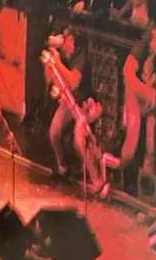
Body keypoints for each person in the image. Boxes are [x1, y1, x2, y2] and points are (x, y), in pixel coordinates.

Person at [44, 28, 112, 196]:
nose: (63, 43)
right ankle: (62, 168)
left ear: (73, 42)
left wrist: (57, 62)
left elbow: (74, 81)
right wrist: (51, 64)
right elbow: (50, 79)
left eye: (67, 39)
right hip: (69, 101)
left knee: (79, 141)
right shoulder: (61, 56)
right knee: (54, 132)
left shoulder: (80, 57)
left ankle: (97, 181)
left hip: (86, 104)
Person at [120, 17, 156, 178]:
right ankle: (115, 166)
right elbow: (127, 74)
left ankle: (147, 171)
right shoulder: (142, 46)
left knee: (151, 145)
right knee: (130, 148)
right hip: (134, 96)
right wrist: (146, 91)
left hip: (148, 100)